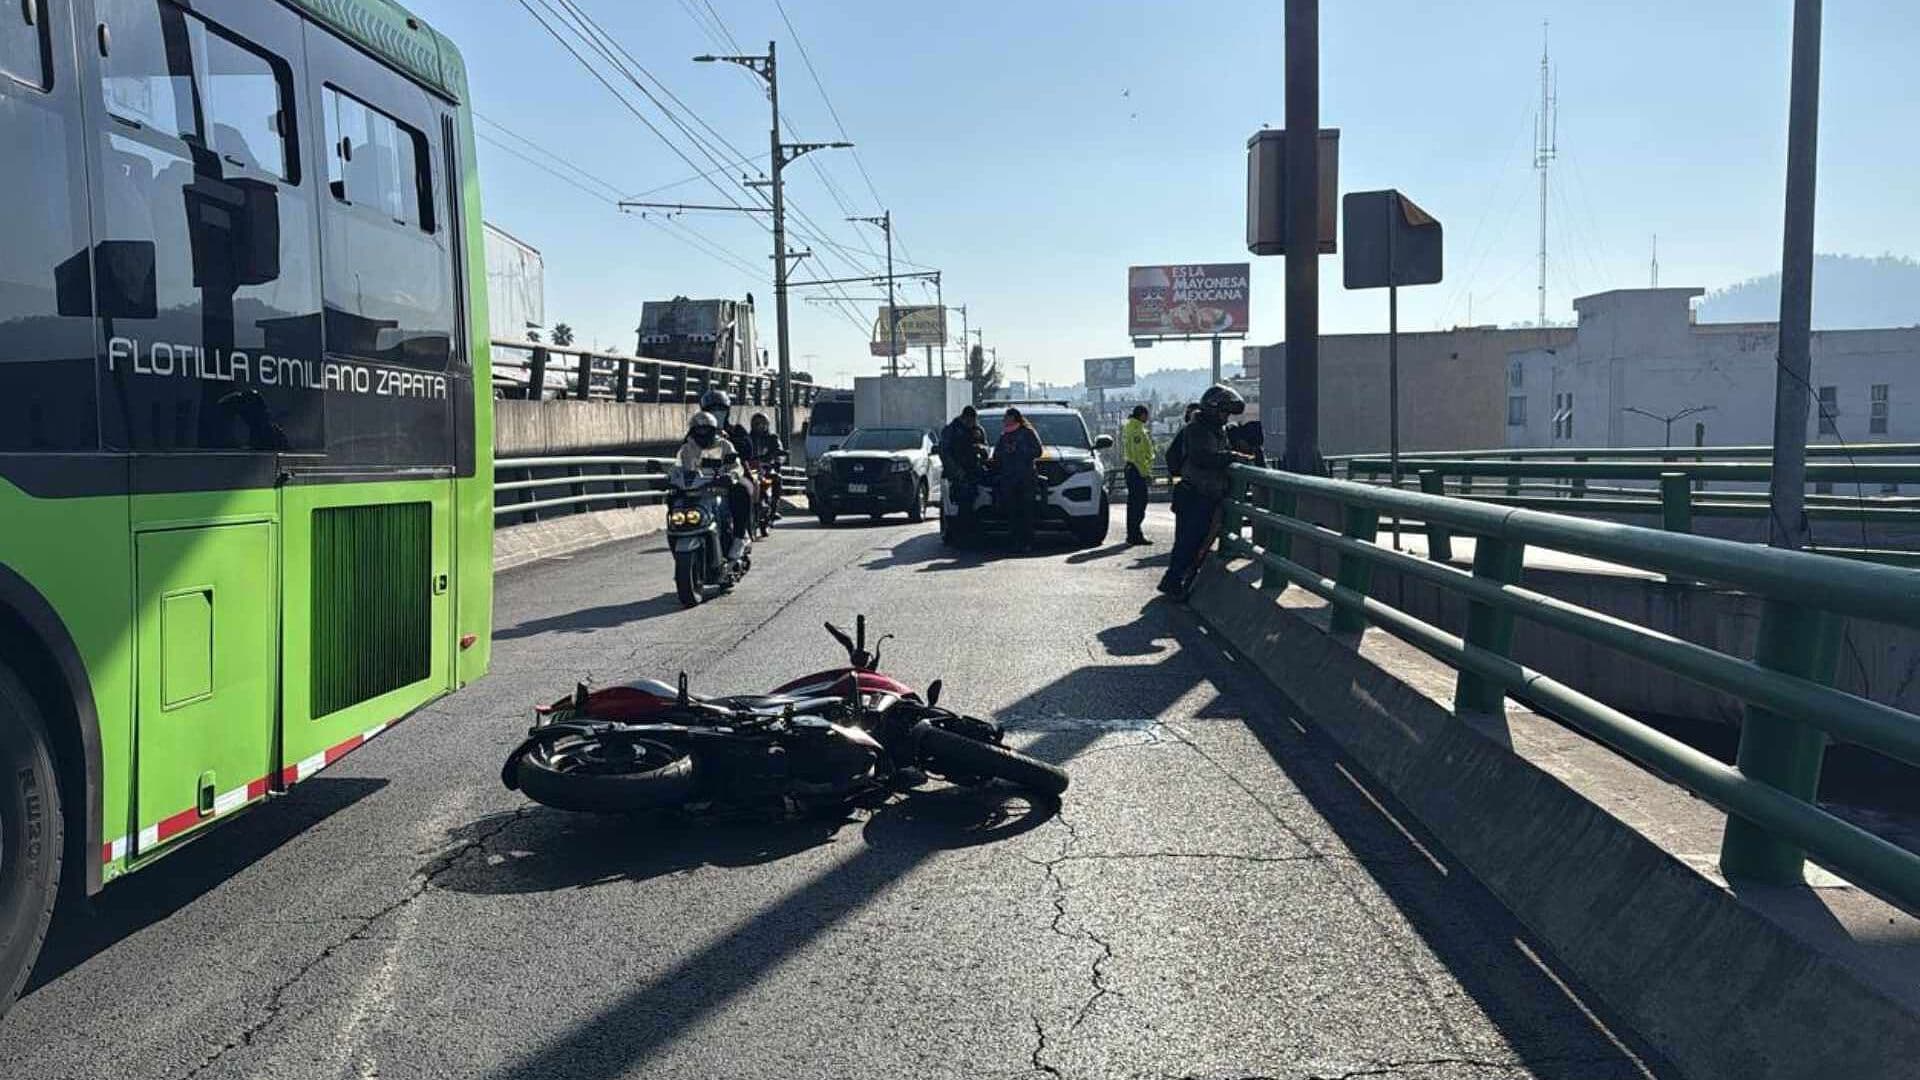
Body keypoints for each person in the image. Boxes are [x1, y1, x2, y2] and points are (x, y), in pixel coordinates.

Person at [1158, 384, 1249, 598]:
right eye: (1223, 412)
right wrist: (1232, 457)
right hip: (1195, 493)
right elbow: (1203, 457)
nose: (1226, 417)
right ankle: (1173, 581)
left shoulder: (1216, 430)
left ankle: (1180, 580)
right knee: (1188, 541)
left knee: (1196, 541)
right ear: (1212, 408)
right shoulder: (1197, 429)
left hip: (1206, 493)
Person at [677, 411, 752, 548]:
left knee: (741, 490)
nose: (702, 434)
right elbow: (677, 467)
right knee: (673, 498)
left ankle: (739, 537)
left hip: (718, 488)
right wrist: (667, 478)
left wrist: (731, 475)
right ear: (693, 431)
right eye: (699, 430)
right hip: (694, 490)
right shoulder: (686, 448)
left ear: (713, 430)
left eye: (706, 429)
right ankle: (676, 536)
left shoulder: (724, 445)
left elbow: (736, 465)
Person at [700, 389, 758, 533]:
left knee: (742, 490)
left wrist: (729, 440)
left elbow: (747, 450)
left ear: (727, 411)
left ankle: (740, 535)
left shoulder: (736, 430)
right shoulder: (697, 432)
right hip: (704, 476)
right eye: (712, 409)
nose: (716, 412)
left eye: (720, 409)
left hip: (731, 474)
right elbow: (685, 452)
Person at [993, 407, 1044, 551]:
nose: (1005, 420)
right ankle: (1015, 541)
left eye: (1007, 417)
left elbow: (1038, 451)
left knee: (1026, 511)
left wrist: (1020, 452)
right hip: (1009, 479)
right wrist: (1004, 453)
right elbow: (996, 455)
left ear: (1014, 418)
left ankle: (1028, 542)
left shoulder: (1027, 433)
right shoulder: (1004, 435)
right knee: (1012, 512)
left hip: (1026, 477)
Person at [939, 405, 988, 527]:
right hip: (958, 475)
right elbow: (945, 453)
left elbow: (986, 449)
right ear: (964, 418)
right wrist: (957, 472)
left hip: (975, 472)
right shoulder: (951, 430)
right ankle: (962, 532)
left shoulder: (978, 430)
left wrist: (981, 449)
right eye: (970, 421)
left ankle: (971, 528)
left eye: (974, 420)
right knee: (963, 503)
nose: (973, 423)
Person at [1121, 404, 1155, 546]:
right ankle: (1135, 535)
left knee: (1134, 504)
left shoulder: (1132, 427)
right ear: (1142, 415)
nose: (1148, 418)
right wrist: (1145, 473)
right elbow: (1138, 455)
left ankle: (1133, 534)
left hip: (1133, 469)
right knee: (1139, 504)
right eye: (1146, 415)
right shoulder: (1136, 430)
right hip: (1137, 470)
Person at [747, 412, 787, 523]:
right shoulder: (747, 439)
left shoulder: (772, 438)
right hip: (751, 469)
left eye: (762, 423)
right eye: (757, 423)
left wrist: (777, 459)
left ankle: (774, 507)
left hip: (767, 468)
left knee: (777, 478)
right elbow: (740, 451)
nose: (760, 426)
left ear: (767, 425)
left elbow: (779, 451)